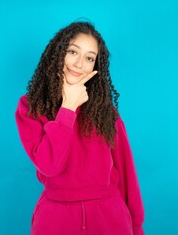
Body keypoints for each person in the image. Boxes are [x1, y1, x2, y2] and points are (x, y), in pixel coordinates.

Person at [15, 21, 145, 235]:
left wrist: (136, 226)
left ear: (96, 66)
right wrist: (68, 107)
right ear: (57, 53)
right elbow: (49, 165)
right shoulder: (30, 107)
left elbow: (126, 168)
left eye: (89, 58)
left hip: (110, 217)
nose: (79, 64)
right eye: (73, 52)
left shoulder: (105, 110)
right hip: (55, 219)